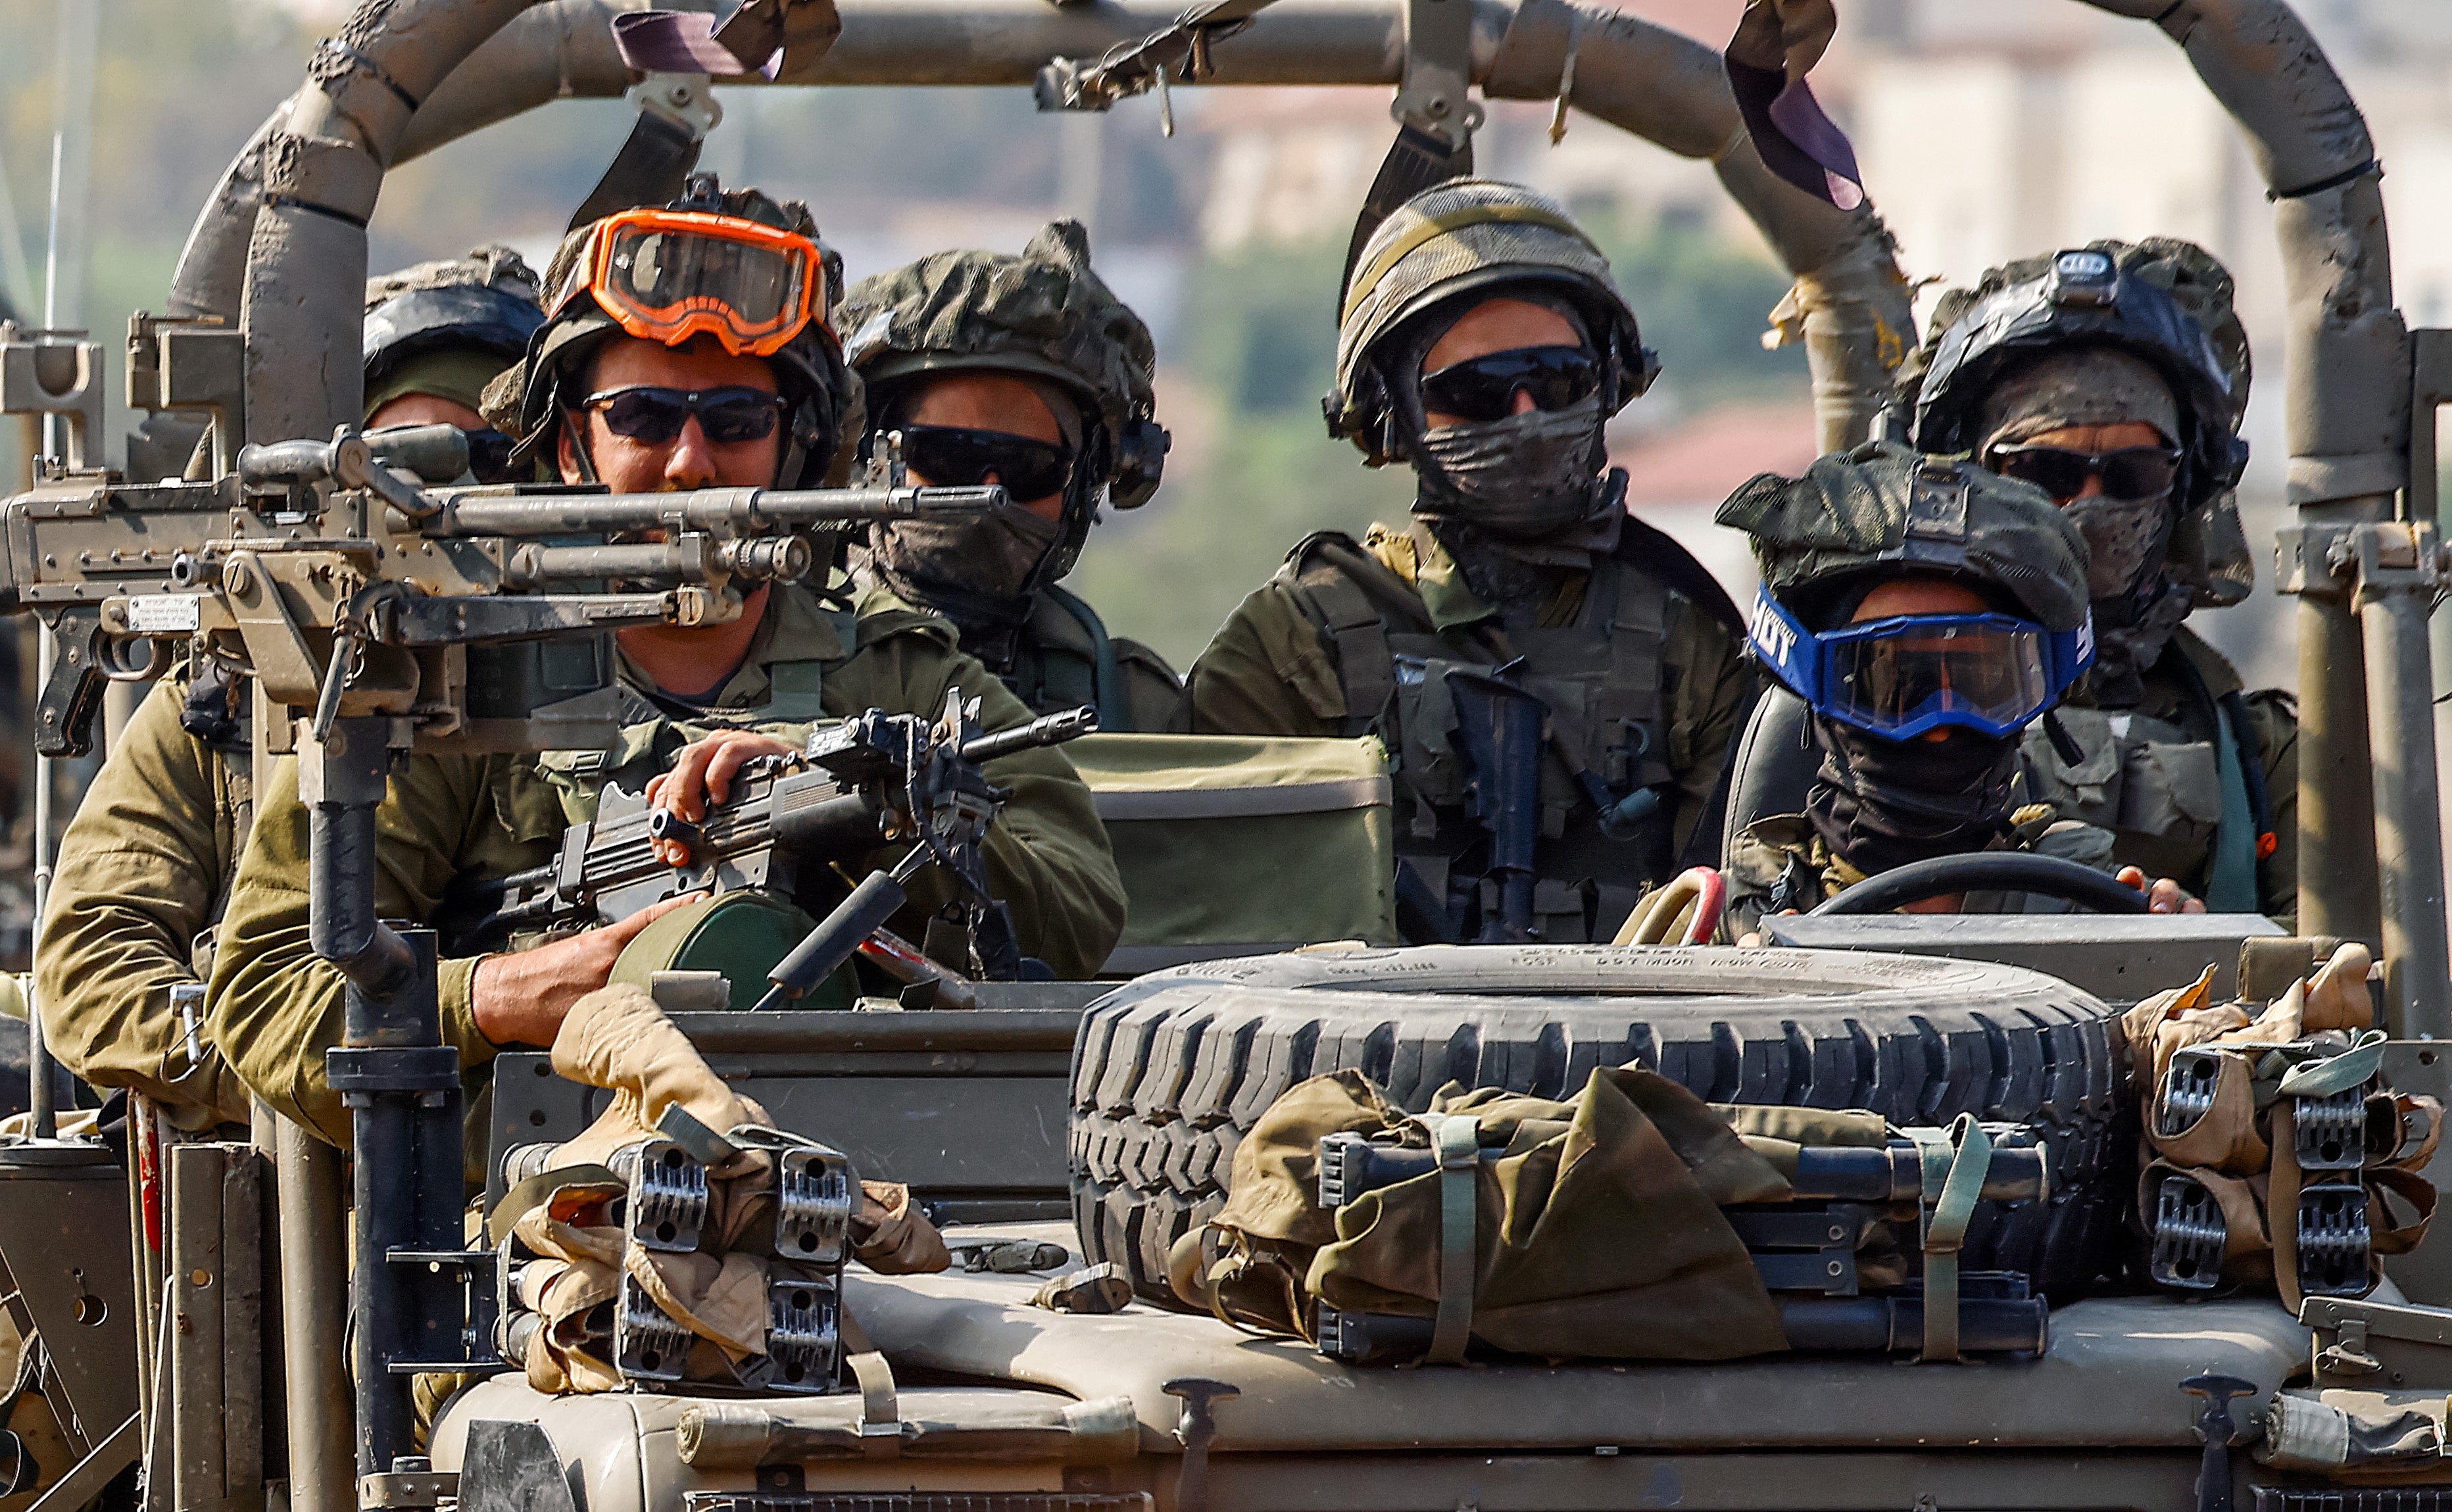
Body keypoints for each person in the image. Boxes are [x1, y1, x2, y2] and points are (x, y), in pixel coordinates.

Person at [206, 180, 1123, 1146]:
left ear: (794, 446)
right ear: (570, 444)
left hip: (866, 1197)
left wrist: (861, 800)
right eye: (643, 416)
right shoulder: (453, 678)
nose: (690, 463)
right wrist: (497, 993)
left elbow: (1079, 907)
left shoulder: (901, 678)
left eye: (734, 420)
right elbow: (268, 992)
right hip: (523, 1237)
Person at [34, 249, 549, 1131]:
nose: (441, 509)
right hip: (287, 1210)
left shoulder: (600, 670)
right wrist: (294, 1066)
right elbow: (89, 970)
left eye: (485, 464)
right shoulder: (226, 693)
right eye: (402, 468)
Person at [1181, 180, 1753, 944]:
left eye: (1557, 380)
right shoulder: (1294, 644)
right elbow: (1212, 924)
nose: (1527, 417)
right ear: (1393, 416)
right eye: (1474, 391)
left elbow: (1745, 914)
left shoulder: (1691, 641)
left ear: (1610, 383)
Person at [1906, 239, 2295, 924]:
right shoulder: (1877, 700)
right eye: (2043, 473)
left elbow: (2340, 979)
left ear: (2183, 486)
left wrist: (2207, 955)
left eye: (2132, 474)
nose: (2086, 505)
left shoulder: (2254, 745)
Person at [1717, 442, 2201, 937]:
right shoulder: (1724, 924)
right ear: (1818, 686)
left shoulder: (2097, 904)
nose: (1941, 726)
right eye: (1899, 683)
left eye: (1983, 682)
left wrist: (2178, 956)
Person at [840, 220, 1178, 729]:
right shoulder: (768, 657)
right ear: (870, 459)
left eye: (1031, 466)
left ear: (1084, 481)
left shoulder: (1129, 704)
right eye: (950, 456)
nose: (990, 492)